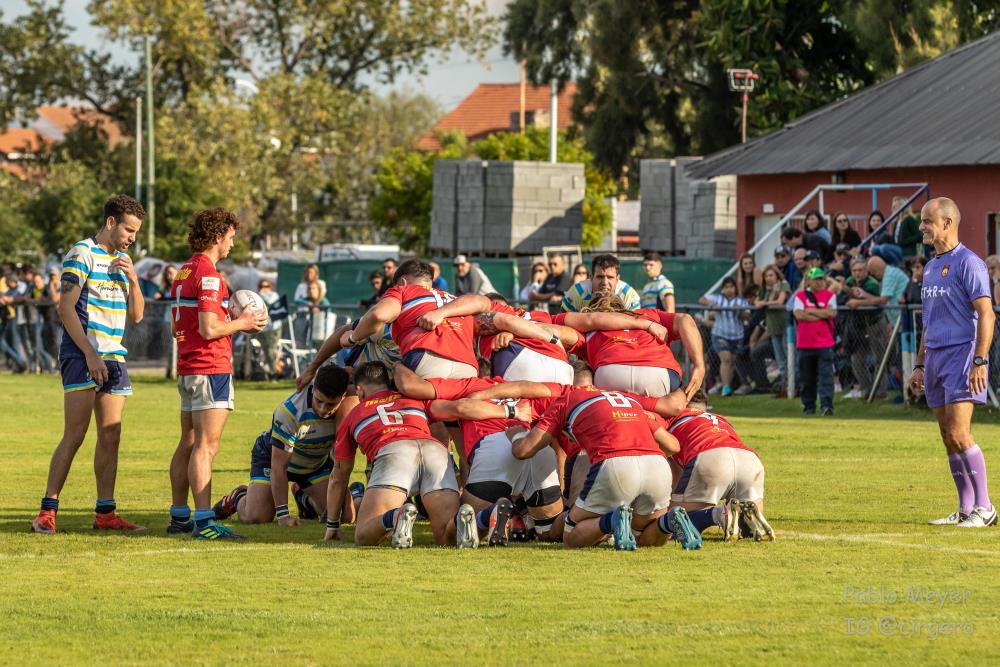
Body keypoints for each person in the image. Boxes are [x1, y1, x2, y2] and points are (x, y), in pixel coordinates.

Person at [31, 194, 147, 534]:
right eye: (128, 230)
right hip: (82, 355)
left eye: (136, 232)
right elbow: (65, 308)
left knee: (111, 435)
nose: (132, 238)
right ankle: (47, 511)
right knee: (76, 434)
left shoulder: (123, 260)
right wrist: (90, 353)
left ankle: (105, 514)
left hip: (114, 356)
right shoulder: (81, 253)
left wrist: (134, 279)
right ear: (111, 222)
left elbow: (137, 316)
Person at [327, 361, 526, 547]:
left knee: (363, 535)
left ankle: (395, 517)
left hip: (395, 453)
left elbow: (339, 475)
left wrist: (333, 524)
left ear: (360, 391)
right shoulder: (415, 400)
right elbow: (459, 408)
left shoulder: (354, 414)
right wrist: (511, 412)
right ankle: (486, 516)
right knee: (447, 536)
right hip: (435, 452)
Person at [167, 208, 268, 540]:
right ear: (216, 236)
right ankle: (204, 522)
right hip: (210, 367)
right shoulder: (209, 276)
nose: (232, 244)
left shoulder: (183, 272)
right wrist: (243, 323)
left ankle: (179, 516)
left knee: (189, 442)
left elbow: (175, 328)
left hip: (188, 367)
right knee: (206, 446)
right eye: (230, 237)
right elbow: (209, 329)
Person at [511, 385, 702, 551]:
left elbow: (524, 450)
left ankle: (612, 520)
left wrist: (516, 434)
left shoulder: (564, 401)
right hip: (657, 464)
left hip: (614, 463)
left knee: (570, 535)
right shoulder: (627, 400)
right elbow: (673, 446)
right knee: (641, 535)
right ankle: (669, 521)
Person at [908, 197, 996, 528]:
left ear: (947, 223)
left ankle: (985, 508)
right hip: (934, 358)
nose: (921, 227)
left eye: (927, 221)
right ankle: (965, 508)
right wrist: (920, 365)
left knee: (960, 432)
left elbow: (987, 314)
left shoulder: (969, 263)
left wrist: (979, 360)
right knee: (947, 435)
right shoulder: (931, 267)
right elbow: (929, 321)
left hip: (962, 355)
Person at [212, 364, 351, 525]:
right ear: (313, 389)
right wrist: (283, 516)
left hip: (314, 463)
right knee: (257, 517)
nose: (322, 409)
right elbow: (279, 467)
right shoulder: (290, 412)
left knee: (345, 517)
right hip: (273, 457)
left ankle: (303, 498)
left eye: (330, 405)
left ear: (343, 396)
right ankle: (239, 496)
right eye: (319, 401)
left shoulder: (346, 409)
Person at [666, 390, 774, 541]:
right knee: (748, 509)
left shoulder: (670, 418)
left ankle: (719, 514)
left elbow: (675, 474)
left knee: (671, 524)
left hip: (709, 457)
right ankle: (746, 520)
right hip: (749, 460)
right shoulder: (721, 419)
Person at [343, 259, 477, 380]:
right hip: (468, 368)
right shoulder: (453, 299)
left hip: (427, 363)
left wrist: (352, 339)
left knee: (397, 372)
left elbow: (379, 315)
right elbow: (484, 301)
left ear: (402, 283)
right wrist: (441, 313)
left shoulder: (401, 292)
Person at [793, 267, 837, 416]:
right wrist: (821, 314)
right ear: (808, 281)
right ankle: (809, 406)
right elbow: (800, 315)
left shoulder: (830, 295)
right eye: (816, 279)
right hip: (805, 343)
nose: (819, 282)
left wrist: (810, 311)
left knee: (826, 376)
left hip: (825, 342)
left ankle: (826, 405)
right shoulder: (800, 296)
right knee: (807, 377)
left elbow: (831, 313)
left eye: (821, 279)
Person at [843, 258, 887, 400]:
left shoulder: (872, 284)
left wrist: (848, 292)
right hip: (858, 326)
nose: (857, 273)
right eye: (855, 270)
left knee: (879, 358)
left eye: (861, 270)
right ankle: (866, 389)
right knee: (856, 359)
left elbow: (867, 300)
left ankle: (880, 392)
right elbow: (845, 296)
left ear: (867, 271)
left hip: (875, 322)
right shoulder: (850, 281)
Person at [699, 277, 749, 397]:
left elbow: (747, 316)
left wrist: (740, 311)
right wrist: (710, 304)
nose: (729, 289)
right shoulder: (718, 299)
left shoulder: (741, 301)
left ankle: (726, 385)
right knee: (726, 359)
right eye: (726, 287)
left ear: (735, 288)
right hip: (720, 334)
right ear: (722, 289)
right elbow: (702, 299)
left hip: (737, 335)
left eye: (731, 287)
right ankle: (726, 388)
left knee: (731, 361)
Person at [562, 254, 640, 312]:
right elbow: (562, 324)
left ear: (617, 279)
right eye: (600, 277)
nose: (605, 283)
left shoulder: (629, 296)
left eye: (610, 277)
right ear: (591, 277)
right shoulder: (576, 293)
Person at [758, 265, 792, 391]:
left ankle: (793, 382)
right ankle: (784, 384)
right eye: (766, 276)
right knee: (780, 358)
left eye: (771, 275)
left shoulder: (783, 284)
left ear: (777, 275)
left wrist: (764, 303)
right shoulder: (765, 289)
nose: (768, 278)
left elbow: (780, 301)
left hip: (785, 325)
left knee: (788, 354)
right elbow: (756, 301)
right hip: (773, 326)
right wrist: (762, 302)